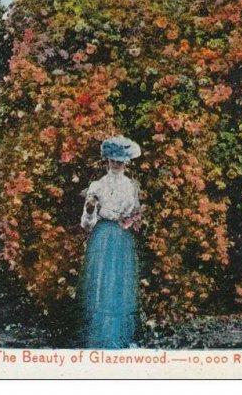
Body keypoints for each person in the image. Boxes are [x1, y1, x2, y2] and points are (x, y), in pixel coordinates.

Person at [79, 135, 144, 349]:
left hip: (122, 237)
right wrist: (90, 210)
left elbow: (134, 213)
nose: (116, 164)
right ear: (106, 161)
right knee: (102, 282)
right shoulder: (97, 186)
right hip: (103, 237)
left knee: (120, 282)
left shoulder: (131, 187)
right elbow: (86, 224)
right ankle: (101, 337)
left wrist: (133, 218)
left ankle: (120, 336)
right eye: (113, 160)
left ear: (126, 162)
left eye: (120, 161)